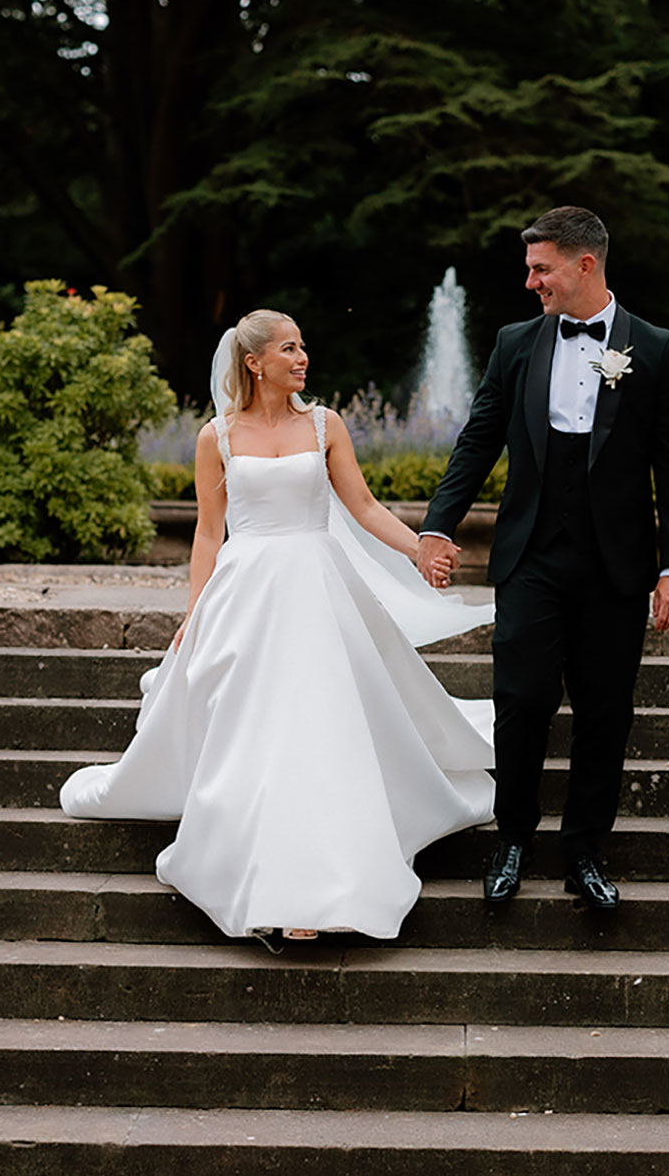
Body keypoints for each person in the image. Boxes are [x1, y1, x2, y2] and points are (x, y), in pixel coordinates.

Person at [60, 309, 494, 942]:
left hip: (319, 587)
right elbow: (208, 533)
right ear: (254, 362)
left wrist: (420, 549)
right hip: (247, 594)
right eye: (288, 348)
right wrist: (195, 613)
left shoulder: (325, 424)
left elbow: (364, 506)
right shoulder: (216, 437)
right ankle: (262, 875)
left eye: (303, 346)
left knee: (319, 728)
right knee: (257, 733)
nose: (302, 357)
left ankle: (328, 881)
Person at [416, 206, 669, 912]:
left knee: (605, 710)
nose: (530, 281)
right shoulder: (515, 343)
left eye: (541, 268)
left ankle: (585, 852)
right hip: (531, 558)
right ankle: (512, 839)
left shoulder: (656, 349)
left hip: (616, 565)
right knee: (522, 701)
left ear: (584, 264)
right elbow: (479, 439)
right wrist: (437, 525)